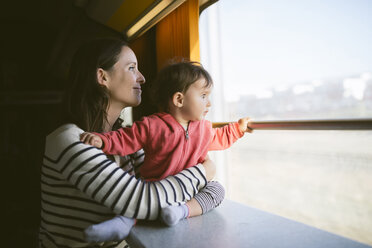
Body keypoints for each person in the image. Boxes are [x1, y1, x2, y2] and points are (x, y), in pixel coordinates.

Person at [39, 38, 219, 248]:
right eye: (132, 68)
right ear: (102, 77)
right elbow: (143, 201)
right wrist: (205, 170)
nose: (142, 78)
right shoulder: (69, 140)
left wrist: (205, 183)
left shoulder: (126, 142)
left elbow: (168, 183)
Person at [80, 61, 253, 242]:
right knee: (135, 199)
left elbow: (220, 138)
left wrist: (238, 129)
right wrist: (103, 140)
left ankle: (181, 211)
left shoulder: (204, 129)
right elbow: (125, 138)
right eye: (203, 96)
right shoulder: (151, 125)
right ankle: (122, 223)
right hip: (156, 187)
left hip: (191, 189)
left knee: (217, 189)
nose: (208, 103)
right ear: (179, 99)